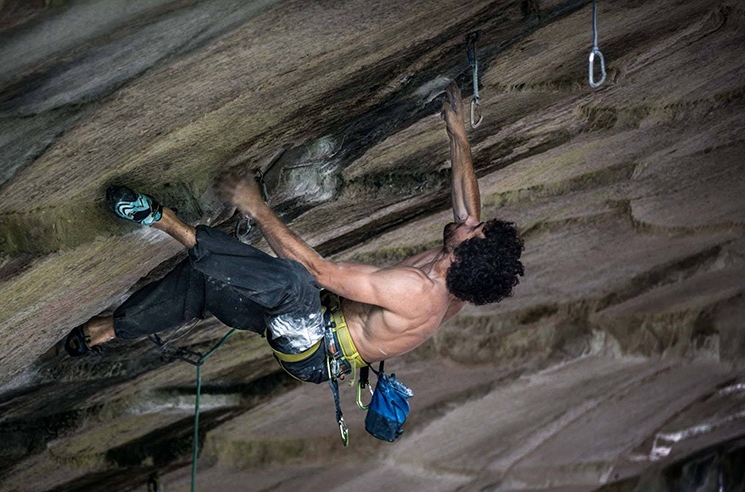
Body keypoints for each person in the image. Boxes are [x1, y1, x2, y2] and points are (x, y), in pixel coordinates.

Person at [65, 82, 524, 385]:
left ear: (462, 257)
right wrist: (457, 133)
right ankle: (108, 330)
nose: (468, 221)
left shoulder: (416, 291)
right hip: (318, 321)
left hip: (311, 347)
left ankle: (167, 222)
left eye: (472, 231)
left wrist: (256, 206)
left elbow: (317, 270)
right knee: (206, 283)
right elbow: (468, 204)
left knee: (293, 282)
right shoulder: (462, 274)